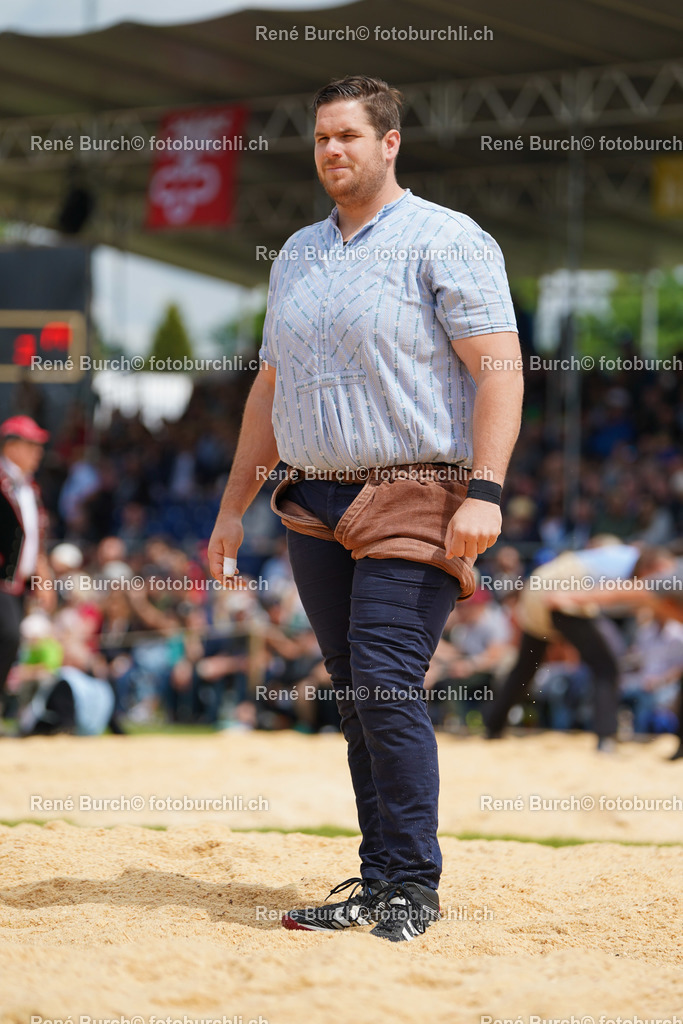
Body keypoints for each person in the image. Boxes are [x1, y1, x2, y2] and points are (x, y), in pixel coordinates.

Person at [208, 75, 523, 941]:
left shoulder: (446, 239)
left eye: (348, 135)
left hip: (420, 490)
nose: (332, 151)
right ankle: (379, 876)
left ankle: (411, 887)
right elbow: (268, 389)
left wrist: (486, 492)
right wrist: (232, 510)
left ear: (389, 143)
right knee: (355, 694)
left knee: (384, 677)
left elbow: (498, 368)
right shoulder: (299, 253)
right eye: (320, 139)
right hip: (310, 499)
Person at [484, 542, 674, 750]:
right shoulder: (632, 571)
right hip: (558, 594)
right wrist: (571, 597)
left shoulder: (627, 555)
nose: (665, 583)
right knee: (607, 666)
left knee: (525, 668)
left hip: (536, 587)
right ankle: (606, 737)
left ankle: (494, 727)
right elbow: (610, 595)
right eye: (662, 576)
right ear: (649, 567)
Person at [0, 415, 53, 720]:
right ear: (12, 446)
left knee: (10, 642)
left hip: (18, 583)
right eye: (32, 444)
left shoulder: (28, 487)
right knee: (7, 637)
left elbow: (35, 536)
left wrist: (42, 574)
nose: (38, 451)